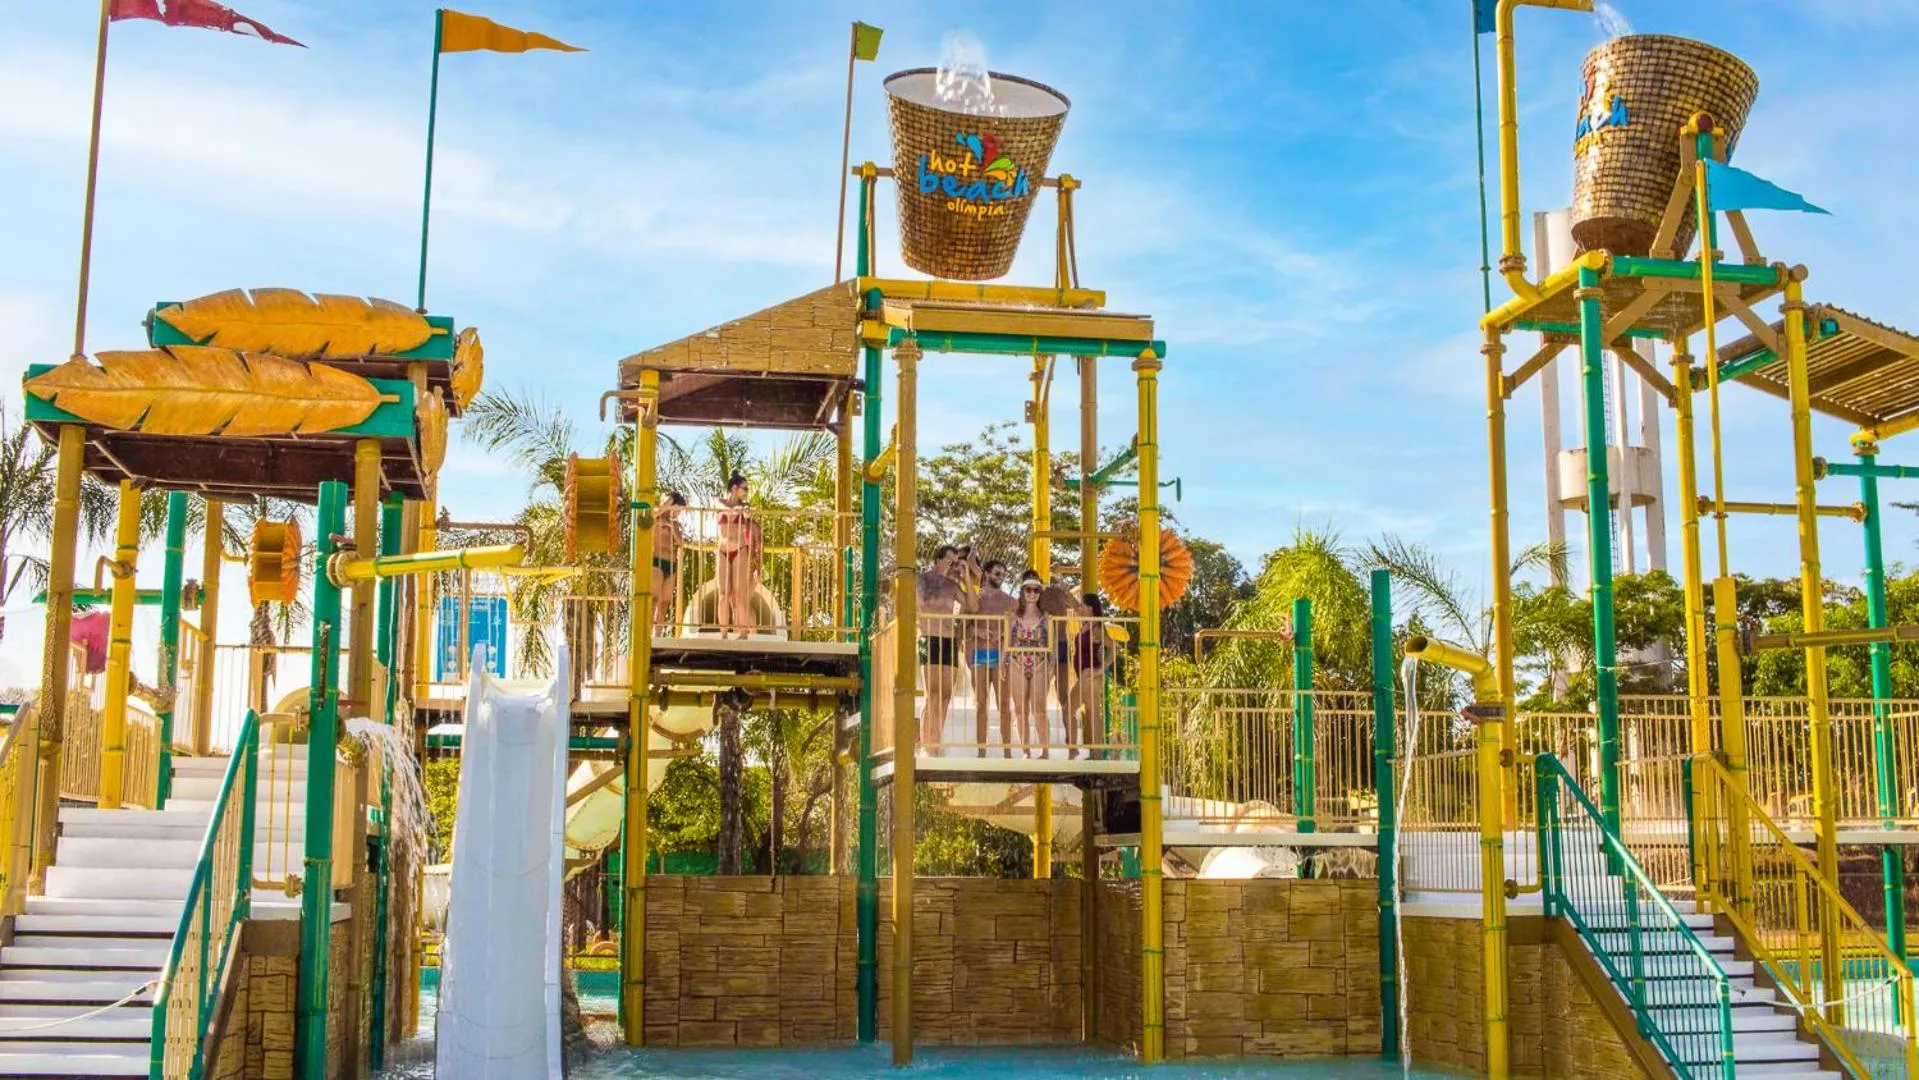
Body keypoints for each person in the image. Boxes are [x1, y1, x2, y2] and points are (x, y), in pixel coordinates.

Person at [965, 560, 1015, 755]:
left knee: (1004, 703)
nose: (1000, 577)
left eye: (1002, 574)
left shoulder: (1010, 601)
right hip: (978, 653)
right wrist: (978, 631)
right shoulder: (975, 599)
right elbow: (963, 626)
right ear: (986, 573)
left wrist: (1002, 635)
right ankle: (981, 751)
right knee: (980, 704)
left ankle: (1007, 751)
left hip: (1001, 656)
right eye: (996, 573)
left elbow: (1017, 630)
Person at [918, 545, 964, 749]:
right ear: (937, 559)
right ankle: (927, 741)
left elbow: (971, 606)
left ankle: (936, 739)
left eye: (956, 562)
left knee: (945, 695)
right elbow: (920, 603)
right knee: (932, 694)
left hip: (948, 640)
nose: (953, 565)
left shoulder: (952, 586)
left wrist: (965, 578)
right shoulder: (922, 579)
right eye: (950, 561)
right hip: (928, 638)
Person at [1005, 571, 1053, 758]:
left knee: (1039, 709)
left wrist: (1051, 665)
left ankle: (1045, 750)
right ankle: (1026, 750)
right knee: (1020, 709)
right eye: (1029, 590)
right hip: (1017, 662)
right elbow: (1007, 643)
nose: (1032, 594)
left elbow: (1051, 644)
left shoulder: (1046, 617)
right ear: (1023, 592)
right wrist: (1004, 662)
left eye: (1036, 590)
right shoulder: (1013, 616)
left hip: (1039, 662)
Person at [1068, 594, 1118, 758]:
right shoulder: (1085, 624)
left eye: (1083, 606)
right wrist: (1062, 586)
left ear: (1090, 608)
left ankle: (1096, 754)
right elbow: (1074, 604)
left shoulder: (1096, 628)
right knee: (1070, 709)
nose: (1079, 608)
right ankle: (1075, 750)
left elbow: (1114, 648)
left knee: (1092, 712)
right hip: (1083, 676)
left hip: (1091, 676)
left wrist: (1100, 670)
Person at [716, 474, 762, 639]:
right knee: (723, 594)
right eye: (745, 488)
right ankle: (723, 633)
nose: (747, 492)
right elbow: (725, 510)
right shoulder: (720, 502)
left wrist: (757, 564)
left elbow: (752, 529)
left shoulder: (746, 507)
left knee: (740, 594)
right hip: (722, 551)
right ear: (734, 488)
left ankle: (743, 633)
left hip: (740, 550)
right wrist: (737, 510)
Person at [652, 490, 686, 631]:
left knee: (665, 602)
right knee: (654, 598)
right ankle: (647, 632)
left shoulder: (675, 524)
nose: (677, 514)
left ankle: (658, 632)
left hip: (671, 563)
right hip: (657, 561)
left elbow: (680, 542)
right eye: (677, 510)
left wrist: (672, 527)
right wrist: (667, 503)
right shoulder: (655, 517)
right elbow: (652, 513)